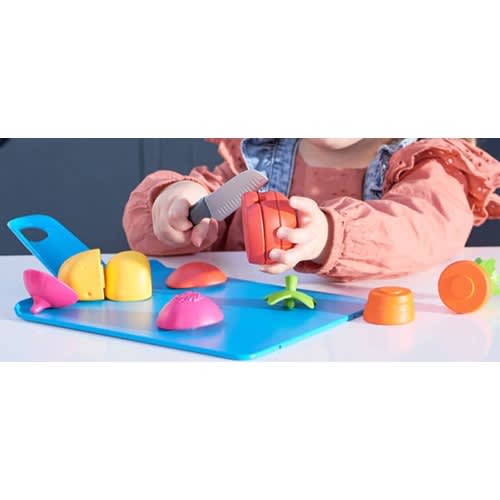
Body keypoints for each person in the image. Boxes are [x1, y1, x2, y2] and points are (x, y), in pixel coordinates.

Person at [122, 138, 500, 281]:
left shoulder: (428, 163)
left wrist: (330, 236)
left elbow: (425, 227)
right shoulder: (258, 160)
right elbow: (156, 233)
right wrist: (171, 204)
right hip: (257, 332)